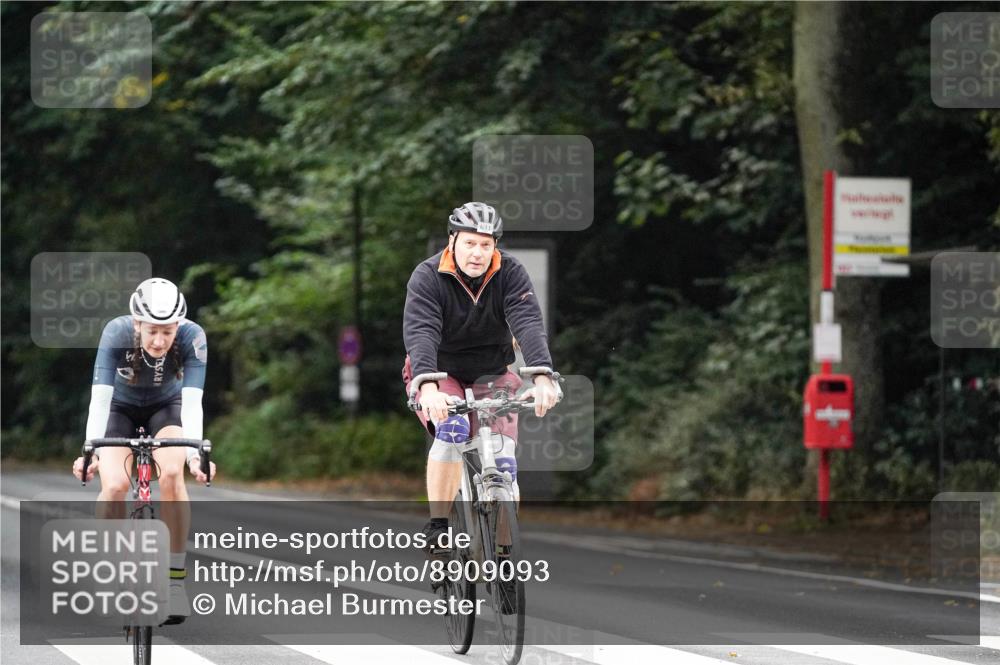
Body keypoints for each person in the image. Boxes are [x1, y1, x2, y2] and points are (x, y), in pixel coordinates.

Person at [402, 202, 559, 561]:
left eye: (486, 245)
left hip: (491, 370)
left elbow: (527, 322)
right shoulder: (427, 276)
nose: (478, 253)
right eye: (470, 243)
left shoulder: (510, 272)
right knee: (453, 430)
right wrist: (427, 387)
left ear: (495, 246)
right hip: (441, 371)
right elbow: (421, 331)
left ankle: (504, 555)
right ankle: (439, 526)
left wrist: (542, 375)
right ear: (453, 239)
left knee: (504, 464)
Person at [72, 277, 216, 625]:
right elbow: (100, 400)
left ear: (178, 325)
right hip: (118, 410)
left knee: (170, 475)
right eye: (152, 330)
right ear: (137, 323)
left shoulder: (192, 337)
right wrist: (88, 452)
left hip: (167, 407)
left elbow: (193, 404)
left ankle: (175, 582)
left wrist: (196, 457)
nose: (159, 340)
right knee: (116, 486)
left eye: (168, 331)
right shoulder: (116, 333)